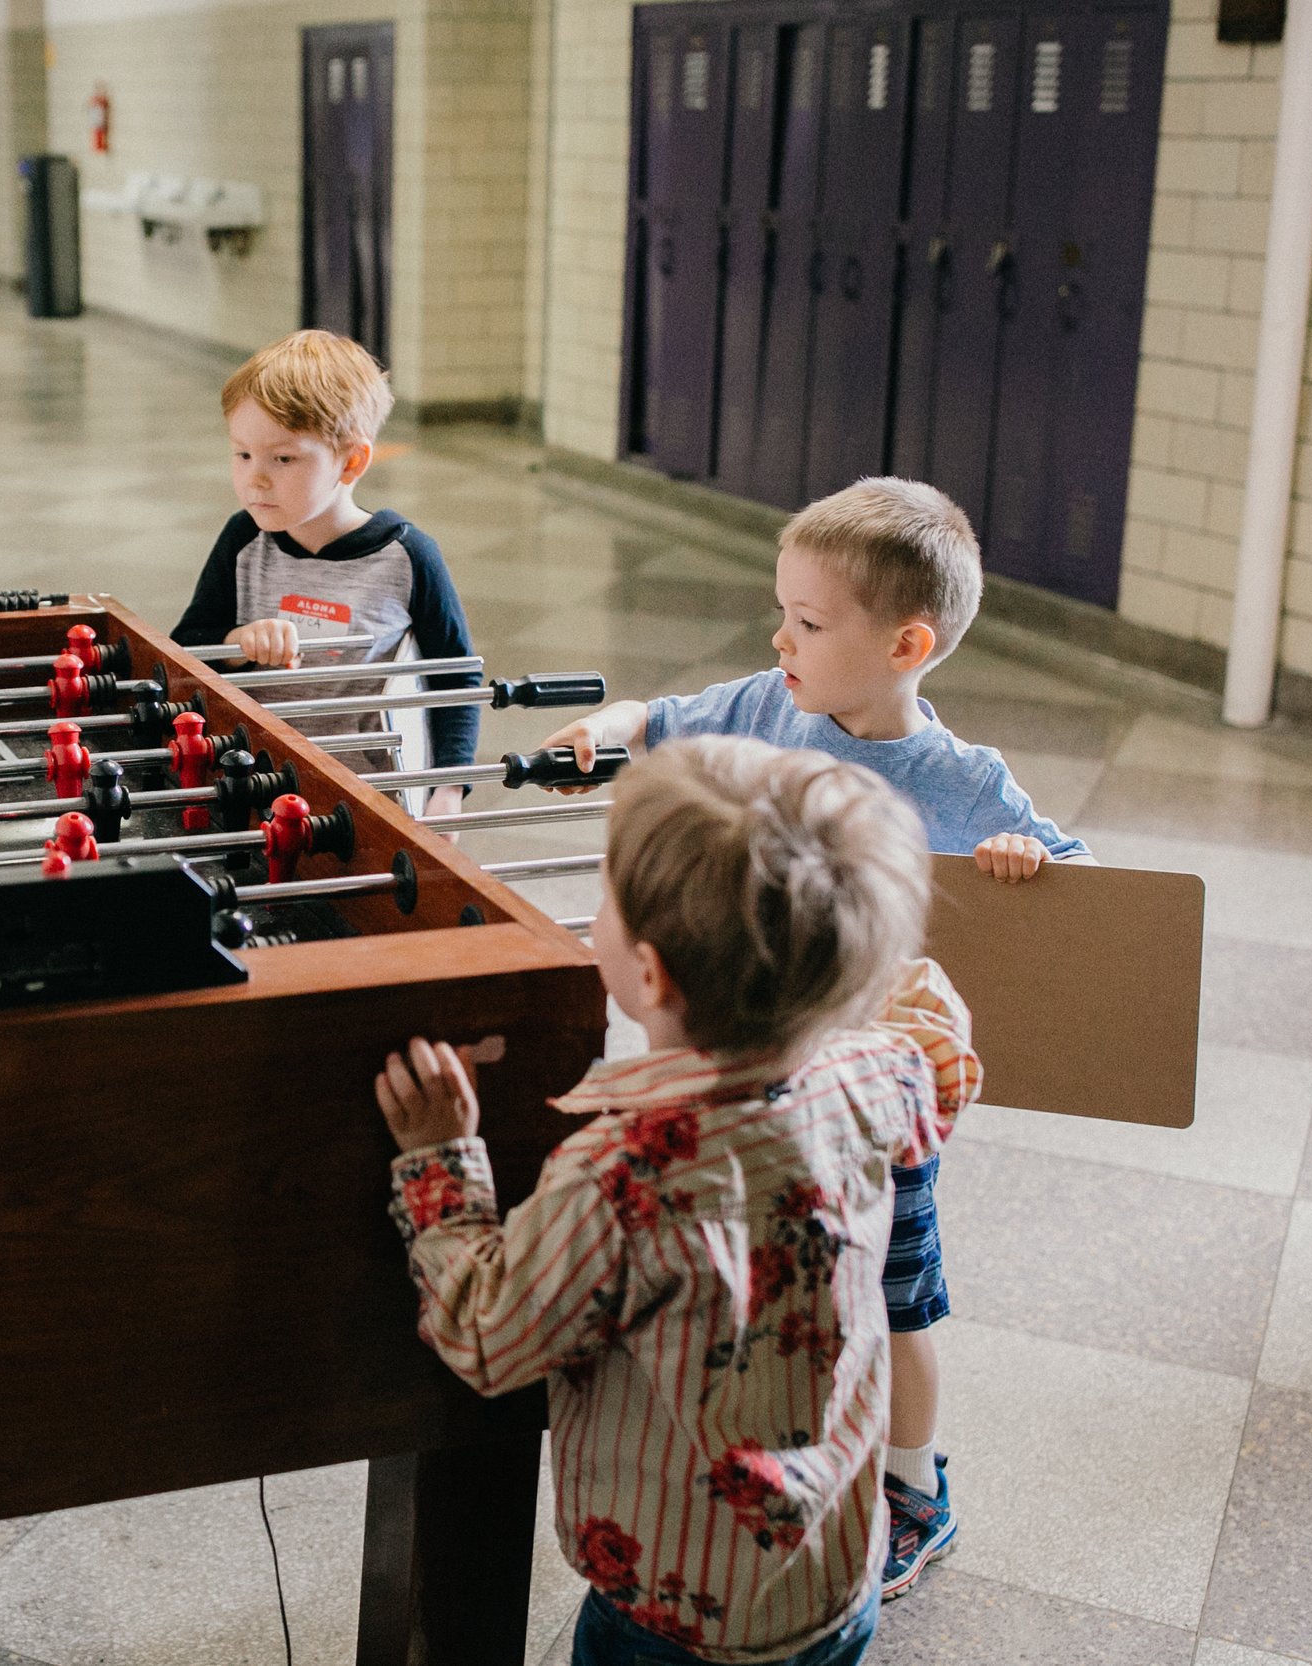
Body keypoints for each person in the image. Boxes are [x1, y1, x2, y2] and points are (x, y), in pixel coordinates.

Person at [542, 476, 1089, 1597]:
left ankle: (912, 1487)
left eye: (808, 621)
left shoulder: (957, 779)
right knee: (787, 1285)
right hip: (759, 1075)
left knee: (893, 1306)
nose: (779, 637)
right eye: (780, 611)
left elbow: (1080, 887)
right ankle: (786, 1440)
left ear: (907, 642)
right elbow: (658, 718)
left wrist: (1032, 865)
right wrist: (603, 731)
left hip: (879, 1097)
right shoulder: (761, 705)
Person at [374, 738, 980, 1665]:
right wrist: (840, 964)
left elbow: (491, 1335)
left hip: (675, 1619)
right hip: (834, 1583)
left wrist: (440, 1161)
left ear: (649, 975)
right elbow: (934, 1035)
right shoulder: (871, 1076)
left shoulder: (620, 1174)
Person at [173, 330, 477, 815]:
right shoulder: (243, 541)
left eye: (283, 458)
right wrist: (237, 642)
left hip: (369, 803)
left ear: (351, 461)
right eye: (243, 454)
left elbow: (456, 679)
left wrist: (449, 789)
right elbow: (186, 650)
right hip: (255, 789)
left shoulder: (410, 557)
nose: (256, 477)